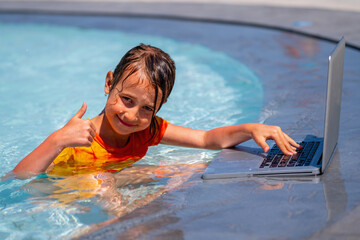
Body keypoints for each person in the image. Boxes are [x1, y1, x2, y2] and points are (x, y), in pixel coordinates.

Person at [13, 44, 301, 179]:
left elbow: (204, 140)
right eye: (126, 99)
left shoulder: (147, 130)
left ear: (159, 108)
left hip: (107, 181)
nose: (132, 116)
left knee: (181, 169)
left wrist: (251, 129)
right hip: (62, 190)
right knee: (103, 180)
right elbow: (18, 178)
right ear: (109, 83)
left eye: (147, 108)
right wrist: (58, 139)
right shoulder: (80, 137)